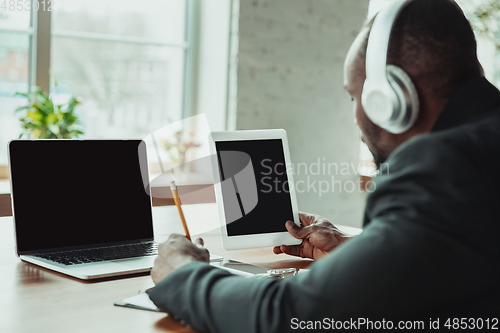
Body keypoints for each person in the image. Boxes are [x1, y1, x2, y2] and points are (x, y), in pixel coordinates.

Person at [148, 0, 500, 331]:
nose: (356, 115)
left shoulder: (444, 169)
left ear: (389, 100)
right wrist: (359, 252)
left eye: (354, 96)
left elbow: (291, 316)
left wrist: (184, 274)